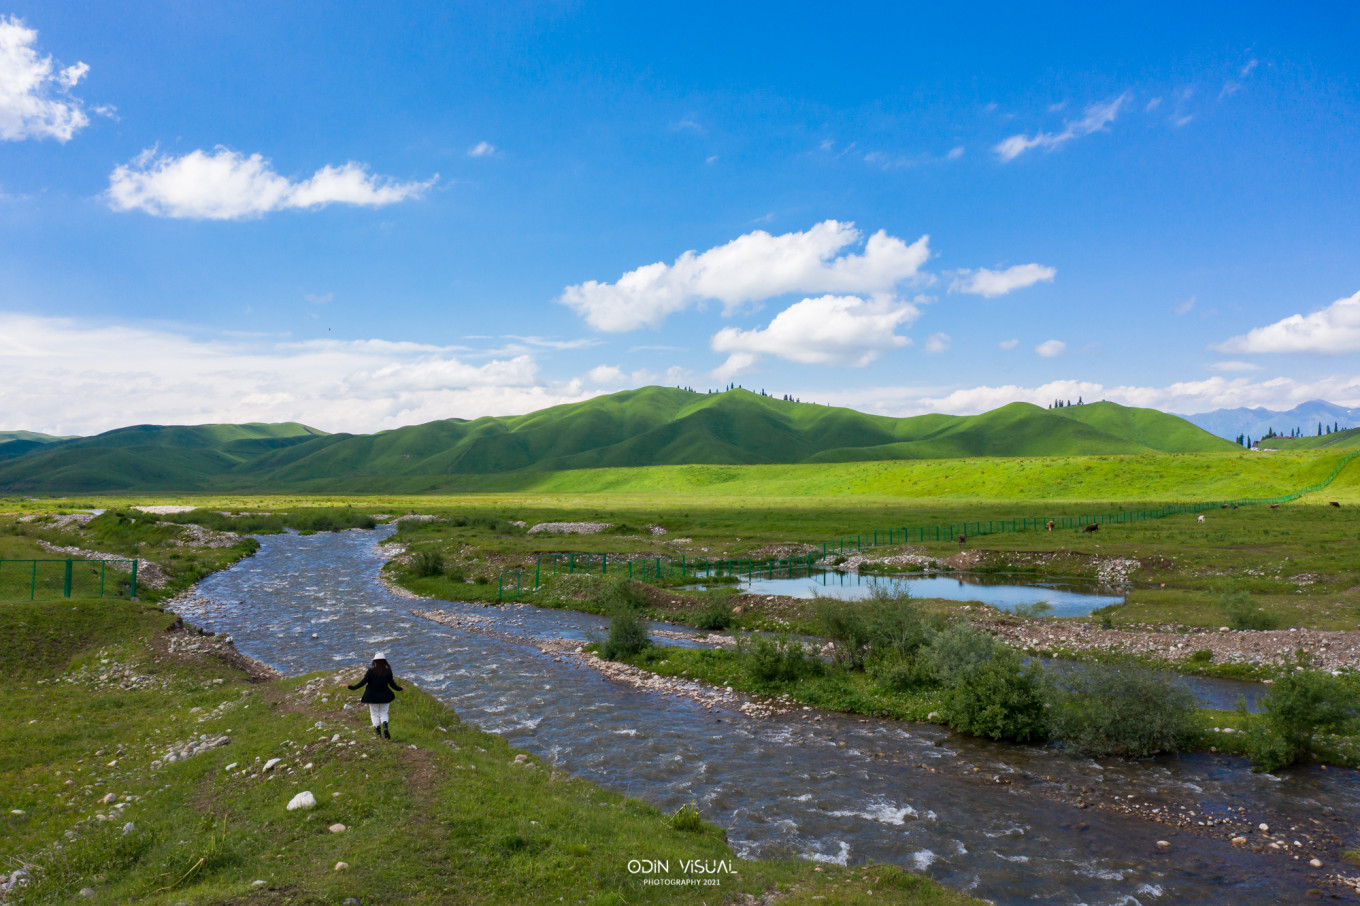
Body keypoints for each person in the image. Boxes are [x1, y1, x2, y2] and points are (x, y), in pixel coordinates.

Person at [348, 651, 403, 739]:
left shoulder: (370, 671)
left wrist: (352, 687)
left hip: (372, 697)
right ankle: (385, 727)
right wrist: (400, 688)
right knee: (384, 713)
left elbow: (363, 682)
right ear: (384, 661)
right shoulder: (388, 671)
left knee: (374, 714)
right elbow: (393, 685)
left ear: (375, 661)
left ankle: (378, 732)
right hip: (385, 696)